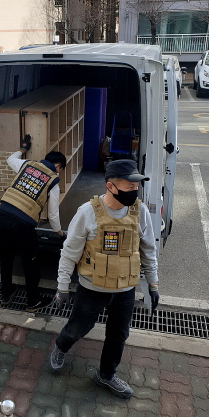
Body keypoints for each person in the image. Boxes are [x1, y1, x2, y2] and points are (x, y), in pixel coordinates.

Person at [49, 159, 159, 398]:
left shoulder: (139, 211)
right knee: (78, 328)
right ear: (110, 186)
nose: (135, 192)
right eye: (129, 187)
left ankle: (106, 375)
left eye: (136, 187)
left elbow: (148, 249)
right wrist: (62, 287)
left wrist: (153, 283)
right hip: (92, 289)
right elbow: (69, 252)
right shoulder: (87, 213)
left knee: (119, 335)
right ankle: (61, 346)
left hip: (125, 290)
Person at [0, 134, 66, 311]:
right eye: (60, 169)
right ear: (57, 165)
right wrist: (59, 233)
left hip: (4, 213)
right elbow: (53, 214)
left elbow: (10, 159)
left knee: (6, 257)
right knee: (30, 262)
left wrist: (23, 148)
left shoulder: (26, 165)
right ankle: (33, 301)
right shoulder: (53, 181)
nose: (58, 173)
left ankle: (6, 294)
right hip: (23, 223)